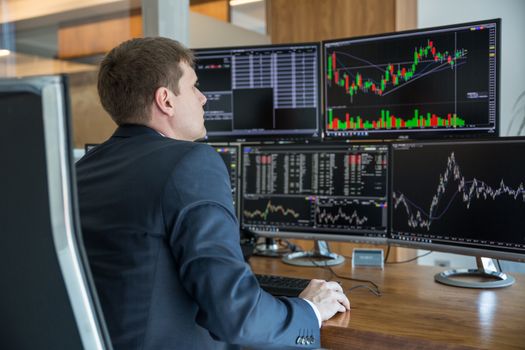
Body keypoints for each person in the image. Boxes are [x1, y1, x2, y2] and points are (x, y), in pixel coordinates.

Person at [76, 37, 350, 350]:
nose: (203, 98)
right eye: (193, 87)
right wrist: (310, 310)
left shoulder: (82, 169)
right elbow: (238, 318)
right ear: (166, 100)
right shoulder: (189, 161)